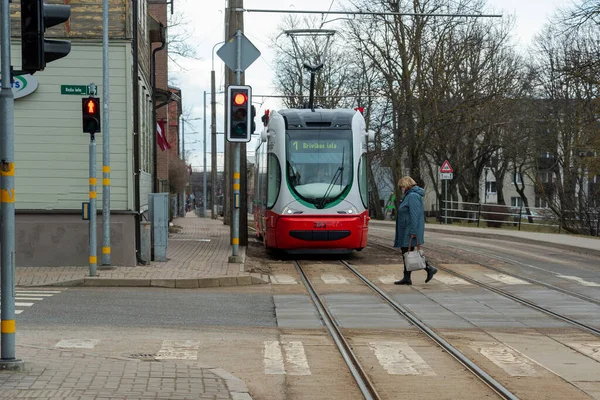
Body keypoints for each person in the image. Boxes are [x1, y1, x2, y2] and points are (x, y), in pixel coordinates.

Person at [393, 176, 437, 285]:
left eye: (402, 186)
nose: (401, 189)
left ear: (407, 185)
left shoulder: (412, 196)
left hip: (410, 230)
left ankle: (428, 268)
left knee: (408, 253)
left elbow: (415, 215)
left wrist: (413, 232)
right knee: (406, 253)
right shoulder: (409, 196)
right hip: (406, 230)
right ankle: (407, 277)